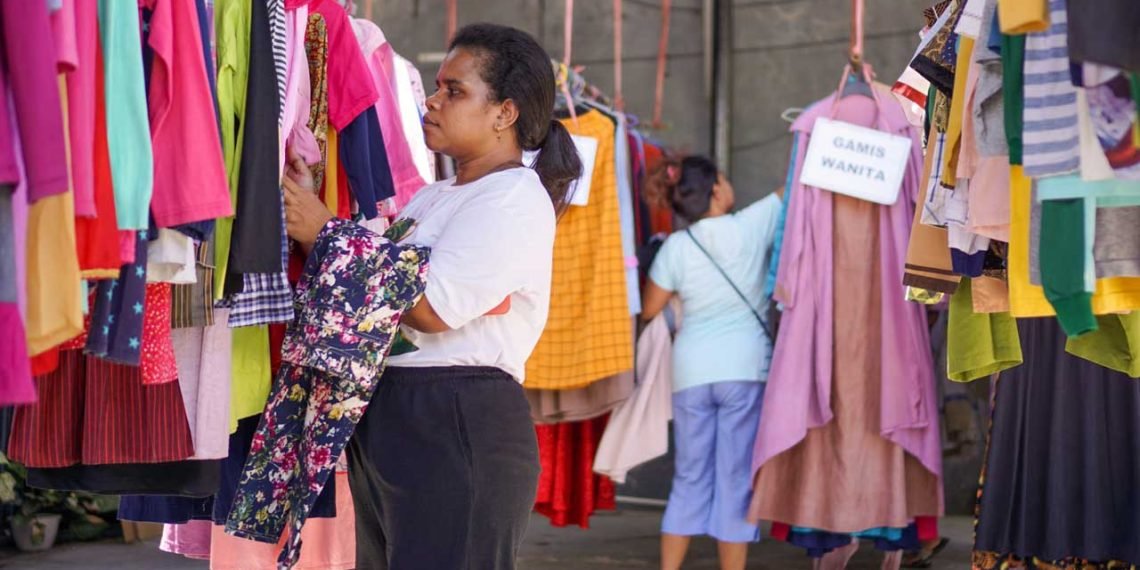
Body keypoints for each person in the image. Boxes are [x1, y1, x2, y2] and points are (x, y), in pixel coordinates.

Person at [280, 23, 582, 570]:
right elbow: (380, 279)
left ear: (504, 113)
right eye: (439, 86)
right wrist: (316, 214)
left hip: (457, 416)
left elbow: (432, 307)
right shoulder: (434, 198)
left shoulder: (512, 199)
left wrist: (326, 234)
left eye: (455, 91)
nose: (434, 101)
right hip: (397, 413)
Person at [639, 156, 782, 570]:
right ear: (717, 191)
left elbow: (650, 309)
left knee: (688, 477)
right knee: (735, 480)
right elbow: (791, 188)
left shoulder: (677, 247)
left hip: (690, 373)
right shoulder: (751, 225)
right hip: (744, 369)